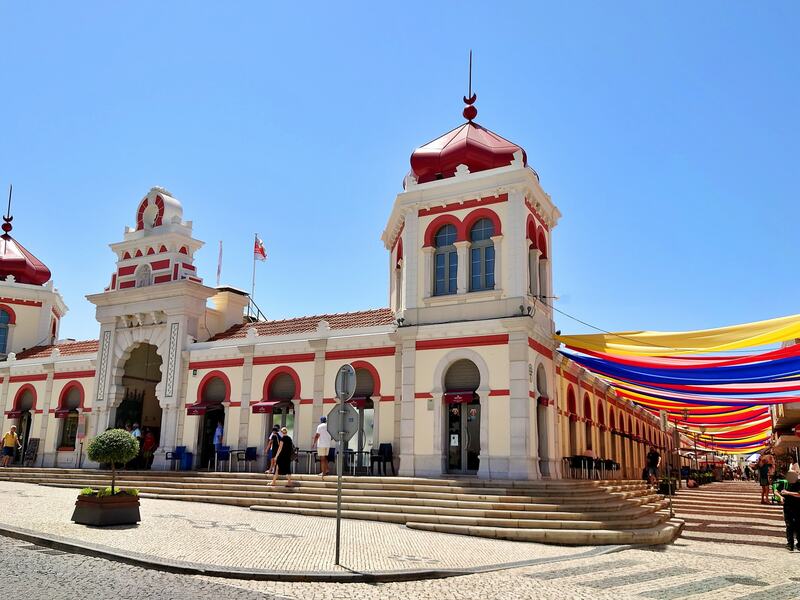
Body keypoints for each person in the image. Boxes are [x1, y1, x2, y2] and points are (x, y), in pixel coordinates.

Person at [780, 470, 800, 551]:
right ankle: (790, 544)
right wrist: (781, 497)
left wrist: (787, 493)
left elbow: (799, 494)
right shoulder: (785, 483)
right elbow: (776, 491)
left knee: (798, 525)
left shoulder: (798, 483)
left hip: (797, 507)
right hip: (787, 507)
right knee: (789, 525)